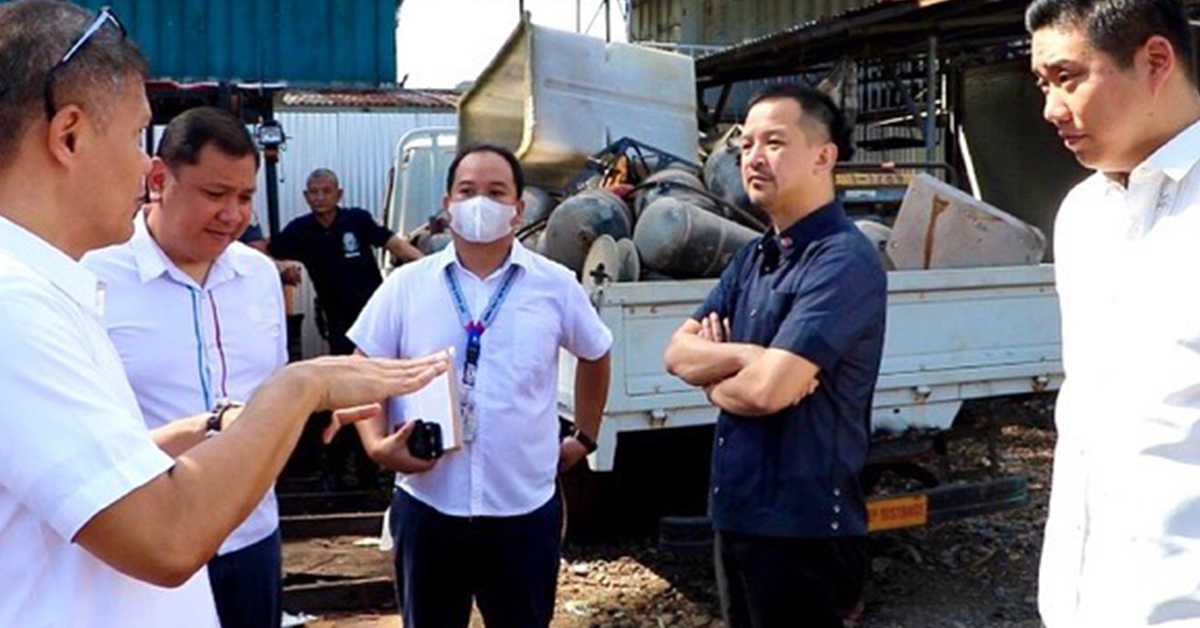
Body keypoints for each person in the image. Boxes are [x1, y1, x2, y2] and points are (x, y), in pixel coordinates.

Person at [0, 3, 448, 627]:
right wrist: (301, 387)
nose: (143, 167)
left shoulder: (41, 292)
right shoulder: (16, 309)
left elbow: (102, 470)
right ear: (69, 135)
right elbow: (165, 537)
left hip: (247, 543)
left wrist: (221, 423)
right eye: (135, 137)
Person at [346, 144, 613, 628]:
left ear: (518, 209)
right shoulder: (407, 286)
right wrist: (376, 445)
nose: (480, 203)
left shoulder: (555, 285)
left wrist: (585, 436)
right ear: (447, 205)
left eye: (496, 192)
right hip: (428, 505)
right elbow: (363, 368)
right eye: (467, 191)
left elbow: (596, 353)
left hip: (523, 510)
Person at [663, 84, 886, 628]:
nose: (753, 157)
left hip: (803, 531)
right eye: (746, 145)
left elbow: (768, 391)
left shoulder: (843, 260)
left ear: (823, 157)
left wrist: (715, 376)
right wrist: (749, 355)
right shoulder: (753, 257)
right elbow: (676, 352)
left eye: (774, 142)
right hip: (738, 514)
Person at [1027, 1, 1200, 625]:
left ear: (1155, 61)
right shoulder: (1083, 215)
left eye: (1067, 77)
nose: (1051, 108)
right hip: (1084, 600)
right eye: (1043, 84)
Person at [82, 107, 287, 628]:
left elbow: (274, 395)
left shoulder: (260, 277)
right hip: (146, 551)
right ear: (158, 180)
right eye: (215, 194)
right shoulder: (93, 275)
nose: (233, 215)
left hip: (252, 538)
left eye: (245, 198)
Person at [269, 168, 423, 356]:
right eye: (314, 192)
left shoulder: (357, 220)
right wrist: (283, 266)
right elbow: (267, 254)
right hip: (336, 317)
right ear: (306, 196)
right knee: (346, 365)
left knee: (382, 362)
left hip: (373, 310)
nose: (320, 198)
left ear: (339, 194)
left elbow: (396, 246)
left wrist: (429, 266)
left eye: (326, 191)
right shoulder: (299, 230)